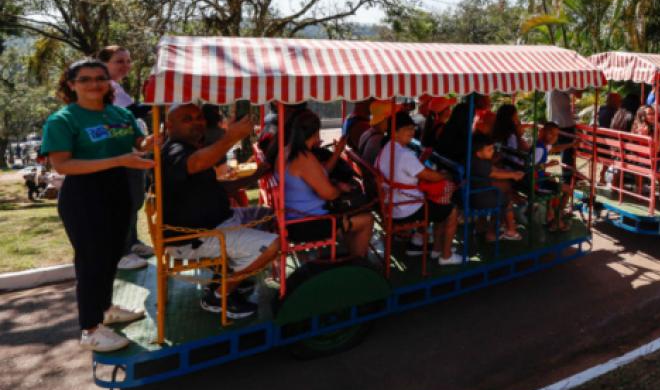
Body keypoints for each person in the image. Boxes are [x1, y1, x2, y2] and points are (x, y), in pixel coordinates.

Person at [42, 58, 157, 352]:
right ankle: (90, 329)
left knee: (111, 257)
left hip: (118, 190)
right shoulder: (63, 120)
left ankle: (105, 309)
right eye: (85, 79)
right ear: (71, 85)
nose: (94, 84)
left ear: (109, 82)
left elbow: (139, 144)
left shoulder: (120, 113)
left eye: (100, 78)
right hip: (84, 196)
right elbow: (63, 164)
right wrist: (118, 160)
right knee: (91, 262)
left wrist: (152, 141)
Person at [160, 104, 279, 319]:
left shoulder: (189, 148)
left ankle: (230, 273)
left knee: (266, 215)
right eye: (187, 119)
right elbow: (195, 163)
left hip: (217, 222)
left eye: (199, 117)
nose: (197, 122)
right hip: (195, 237)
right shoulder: (173, 151)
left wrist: (256, 175)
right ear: (169, 126)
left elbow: (219, 187)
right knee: (274, 245)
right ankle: (219, 295)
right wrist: (230, 137)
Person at [283, 109, 374, 258]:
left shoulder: (286, 152)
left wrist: (338, 152)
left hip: (292, 218)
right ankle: (358, 262)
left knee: (351, 211)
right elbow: (330, 194)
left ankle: (351, 255)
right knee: (367, 219)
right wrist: (339, 187)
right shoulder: (304, 158)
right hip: (306, 223)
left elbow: (321, 173)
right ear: (315, 133)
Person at [375, 111, 461, 266]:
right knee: (451, 210)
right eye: (407, 129)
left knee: (438, 203)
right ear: (395, 132)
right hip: (405, 207)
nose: (412, 132)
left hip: (391, 204)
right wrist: (446, 175)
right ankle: (446, 256)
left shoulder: (385, 149)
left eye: (412, 128)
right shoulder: (404, 154)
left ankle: (428, 245)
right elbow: (431, 176)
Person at [100, 45, 153, 271]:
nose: (126, 65)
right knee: (126, 202)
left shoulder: (116, 86)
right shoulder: (108, 87)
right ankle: (120, 252)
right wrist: (158, 101)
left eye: (128, 61)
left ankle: (132, 242)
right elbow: (133, 111)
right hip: (119, 153)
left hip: (132, 151)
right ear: (104, 64)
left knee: (134, 200)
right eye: (119, 61)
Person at [467, 133, 523, 241]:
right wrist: (513, 175)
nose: (492, 151)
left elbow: (495, 170)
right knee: (506, 201)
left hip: (474, 194)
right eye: (489, 150)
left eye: (492, 148)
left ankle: (484, 226)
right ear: (478, 152)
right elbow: (495, 174)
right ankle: (509, 231)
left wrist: (512, 173)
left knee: (500, 193)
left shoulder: (474, 159)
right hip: (479, 198)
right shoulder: (479, 164)